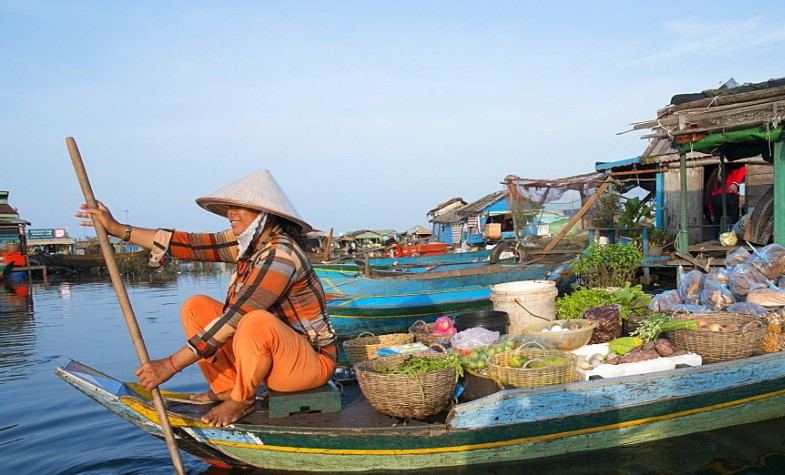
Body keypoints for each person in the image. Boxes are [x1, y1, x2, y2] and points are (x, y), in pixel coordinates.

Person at [75, 170, 337, 427]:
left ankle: (241, 399)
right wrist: (117, 229)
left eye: (240, 208)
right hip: (272, 356)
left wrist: (169, 365)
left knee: (254, 321)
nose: (231, 214)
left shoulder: (281, 254)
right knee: (196, 306)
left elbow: (237, 317)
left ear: (265, 216)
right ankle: (226, 388)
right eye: (229, 208)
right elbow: (190, 244)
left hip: (308, 364)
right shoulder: (248, 245)